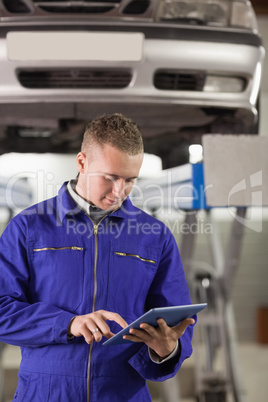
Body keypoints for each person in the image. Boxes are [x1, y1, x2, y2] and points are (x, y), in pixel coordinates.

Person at [0, 113, 195, 401]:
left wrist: (167, 350)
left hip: (123, 392)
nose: (119, 191)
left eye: (130, 180)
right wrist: (67, 324)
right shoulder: (29, 227)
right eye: (110, 177)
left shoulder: (155, 236)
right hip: (46, 392)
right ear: (82, 162)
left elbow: (176, 322)